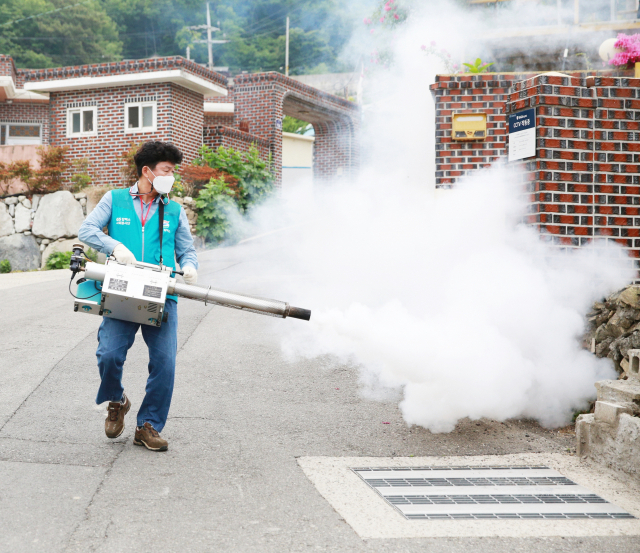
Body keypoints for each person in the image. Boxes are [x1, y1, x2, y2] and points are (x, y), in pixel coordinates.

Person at [78, 141, 199, 452]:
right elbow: (87, 230)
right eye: (167, 171)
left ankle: (148, 425)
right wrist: (114, 247)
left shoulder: (173, 209)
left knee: (165, 363)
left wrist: (188, 267)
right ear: (147, 171)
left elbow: (187, 250)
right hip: (121, 289)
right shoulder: (115, 199)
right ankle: (117, 400)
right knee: (109, 354)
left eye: (173, 171)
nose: (172, 177)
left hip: (163, 294)